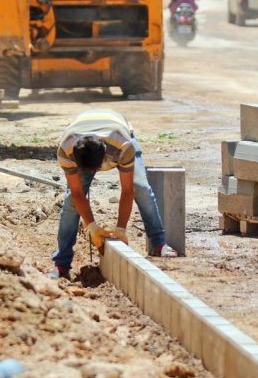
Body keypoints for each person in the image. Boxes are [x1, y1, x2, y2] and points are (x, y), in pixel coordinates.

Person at [50, 109, 177, 280]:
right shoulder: (66, 150)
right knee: (71, 202)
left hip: (119, 133)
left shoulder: (123, 146)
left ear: (105, 157)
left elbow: (127, 190)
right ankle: (62, 264)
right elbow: (78, 193)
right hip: (83, 135)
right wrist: (93, 228)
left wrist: (121, 229)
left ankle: (159, 243)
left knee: (140, 187)